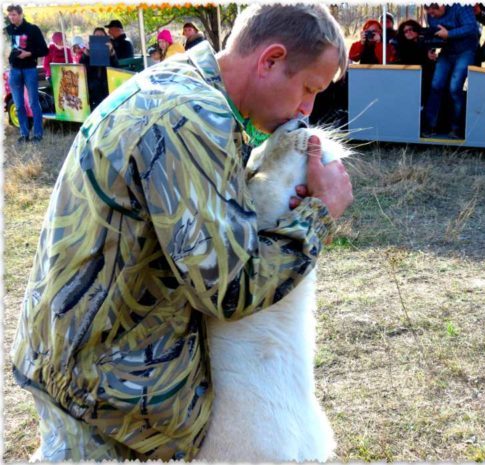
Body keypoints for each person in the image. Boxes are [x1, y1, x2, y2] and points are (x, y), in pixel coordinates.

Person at [11, 3, 353, 462]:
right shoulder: (192, 116)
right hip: (109, 398)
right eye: (309, 88)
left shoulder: (180, 86)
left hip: (88, 370)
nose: (307, 109)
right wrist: (320, 213)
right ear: (270, 60)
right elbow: (230, 290)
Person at [421, 3, 479, 139]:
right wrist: (431, 48)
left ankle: (457, 128)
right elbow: (434, 33)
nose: (431, 15)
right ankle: (429, 126)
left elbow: (471, 28)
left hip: (466, 51)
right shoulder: (430, 15)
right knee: (436, 85)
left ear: (441, 6)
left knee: (455, 88)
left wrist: (449, 34)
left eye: (433, 13)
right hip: (447, 52)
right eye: (429, 12)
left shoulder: (461, 7)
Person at [4, 4, 49, 143]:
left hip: (29, 69)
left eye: (14, 14)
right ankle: (24, 134)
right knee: (18, 105)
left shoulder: (32, 29)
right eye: (10, 15)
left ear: (21, 14)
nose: (12, 17)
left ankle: (38, 134)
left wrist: (28, 53)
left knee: (33, 103)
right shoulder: (6, 31)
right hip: (14, 70)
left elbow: (44, 50)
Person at [395, 19, 437, 104]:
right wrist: (426, 55)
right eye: (405, 31)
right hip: (411, 78)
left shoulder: (425, 41)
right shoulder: (401, 45)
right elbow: (408, 58)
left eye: (411, 29)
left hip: (428, 76)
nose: (409, 32)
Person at [78, 28, 119, 110]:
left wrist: (111, 51)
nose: (99, 38)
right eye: (97, 36)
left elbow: (116, 67)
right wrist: (86, 52)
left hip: (107, 83)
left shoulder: (111, 47)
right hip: (92, 85)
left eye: (101, 36)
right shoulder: (88, 50)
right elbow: (81, 66)